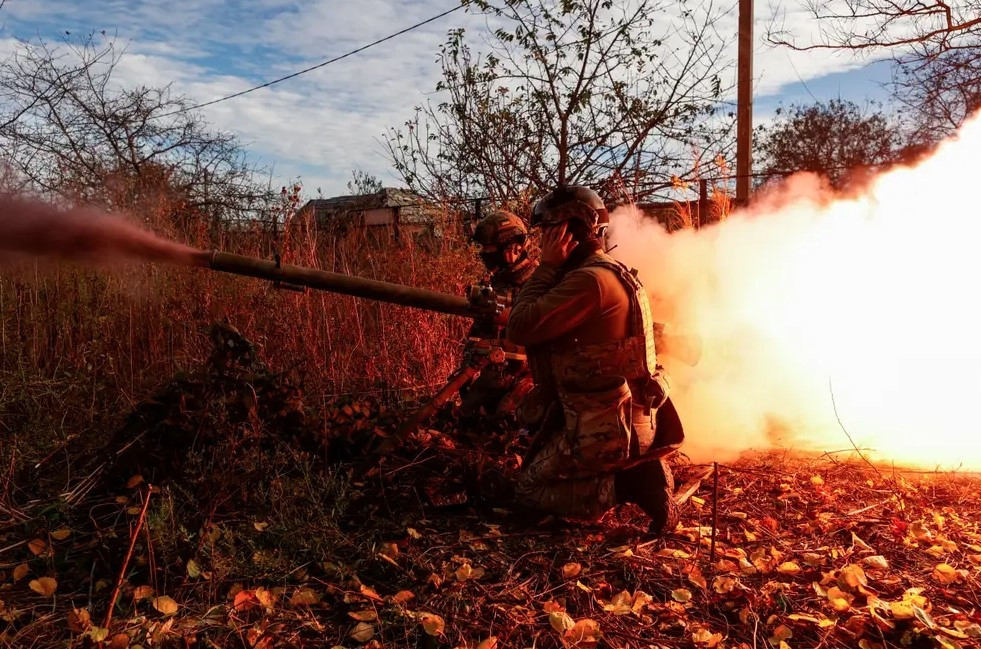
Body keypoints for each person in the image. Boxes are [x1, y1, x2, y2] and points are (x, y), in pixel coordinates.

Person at [505, 186, 684, 535]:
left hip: (605, 429)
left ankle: (632, 484)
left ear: (565, 232)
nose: (541, 242)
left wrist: (546, 268)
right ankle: (629, 471)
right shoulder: (607, 271)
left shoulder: (588, 281)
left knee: (527, 490)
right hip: (621, 419)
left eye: (547, 233)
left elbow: (520, 326)